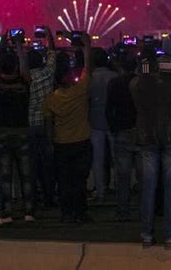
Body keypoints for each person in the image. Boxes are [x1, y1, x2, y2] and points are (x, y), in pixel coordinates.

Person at [130, 52, 171, 248]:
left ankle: (147, 233)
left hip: (146, 137)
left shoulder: (135, 85)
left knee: (148, 186)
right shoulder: (169, 82)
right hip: (169, 135)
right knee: (170, 185)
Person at [43, 33, 92, 224]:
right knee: (80, 180)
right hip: (81, 140)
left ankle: (66, 213)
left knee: (64, 181)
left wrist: (50, 143)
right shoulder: (80, 91)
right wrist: (87, 45)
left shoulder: (51, 99)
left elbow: (49, 125)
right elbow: (88, 68)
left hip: (61, 143)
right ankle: (81, 212)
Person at [0, 35, 34, 225]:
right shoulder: (24, 82)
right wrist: (18, 45)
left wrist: (1, 44)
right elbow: (24, 64)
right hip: (22, 131)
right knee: (26, 175)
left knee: (5, 176)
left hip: (1, 132)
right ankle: (29, 212)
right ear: (16, 67)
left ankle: (6, 213)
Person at [106, 52, 139, 220]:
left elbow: (108, 109)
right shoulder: (141, 83)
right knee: (144, 176)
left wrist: (114, 128)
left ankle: (123, 211)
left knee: (123, 176)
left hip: (122, 131)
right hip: (139, 131)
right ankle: (145, 209)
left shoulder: (115, 83)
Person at [27, 27, 56, 206]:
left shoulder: (23, 78)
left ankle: (32, 198)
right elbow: (52, 54)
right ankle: (49, 197)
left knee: (30, 165)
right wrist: (49, 36)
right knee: (48, 164)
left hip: (29, 125)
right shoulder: (47, 74)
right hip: (47, 125)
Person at [89, 47, 117, 202]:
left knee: (97, 159)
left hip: (95, 121)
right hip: (112, 120)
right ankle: (117, 187)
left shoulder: (89, 78)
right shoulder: (114, 76)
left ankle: (100, 190)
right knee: (116, 157)